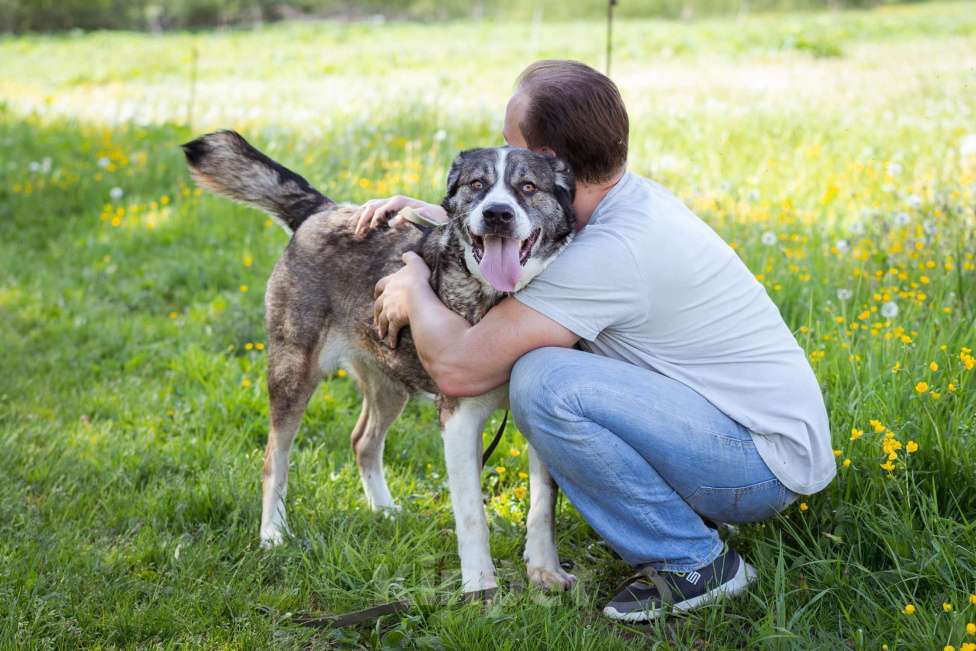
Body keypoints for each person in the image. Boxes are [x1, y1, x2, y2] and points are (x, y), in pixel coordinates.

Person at [361, 59, 835, 622]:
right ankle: (687, 517)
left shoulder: (605, 254)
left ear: (553, 162)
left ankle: (693, 560)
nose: (502, 157)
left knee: (542, 380)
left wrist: (414, 284)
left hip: (757, 466)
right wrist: (442, 219)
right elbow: (531, 218)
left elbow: (460, 371)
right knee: (552, 369)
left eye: (513, 148)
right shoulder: (624, 203)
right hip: (763, 439)